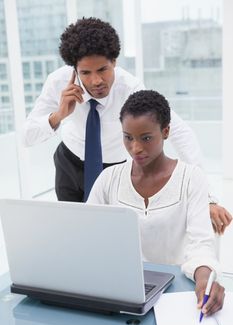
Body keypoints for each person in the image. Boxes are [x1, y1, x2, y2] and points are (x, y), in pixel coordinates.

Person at [22, 17, 232, 233]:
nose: (96, 81)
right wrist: (58, 115)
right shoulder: (58, 82)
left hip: (114, 171)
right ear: (75, 69)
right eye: (85, 72)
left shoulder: (130, 88)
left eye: (102, 69)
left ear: (114, 62)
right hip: (69, 163)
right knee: (73, 231)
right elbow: (27, 136)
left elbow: (179, 131)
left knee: (112, 234)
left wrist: (208, 198)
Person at [87, 90, 225, 316]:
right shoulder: (108, 179)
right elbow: (88, 238)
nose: (136, 148)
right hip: (123, 291)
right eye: (128, 137)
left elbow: (200, 244)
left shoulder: (191, 178)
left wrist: (204, 279)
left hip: (178, 293)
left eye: (146, 138)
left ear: (166, 131)